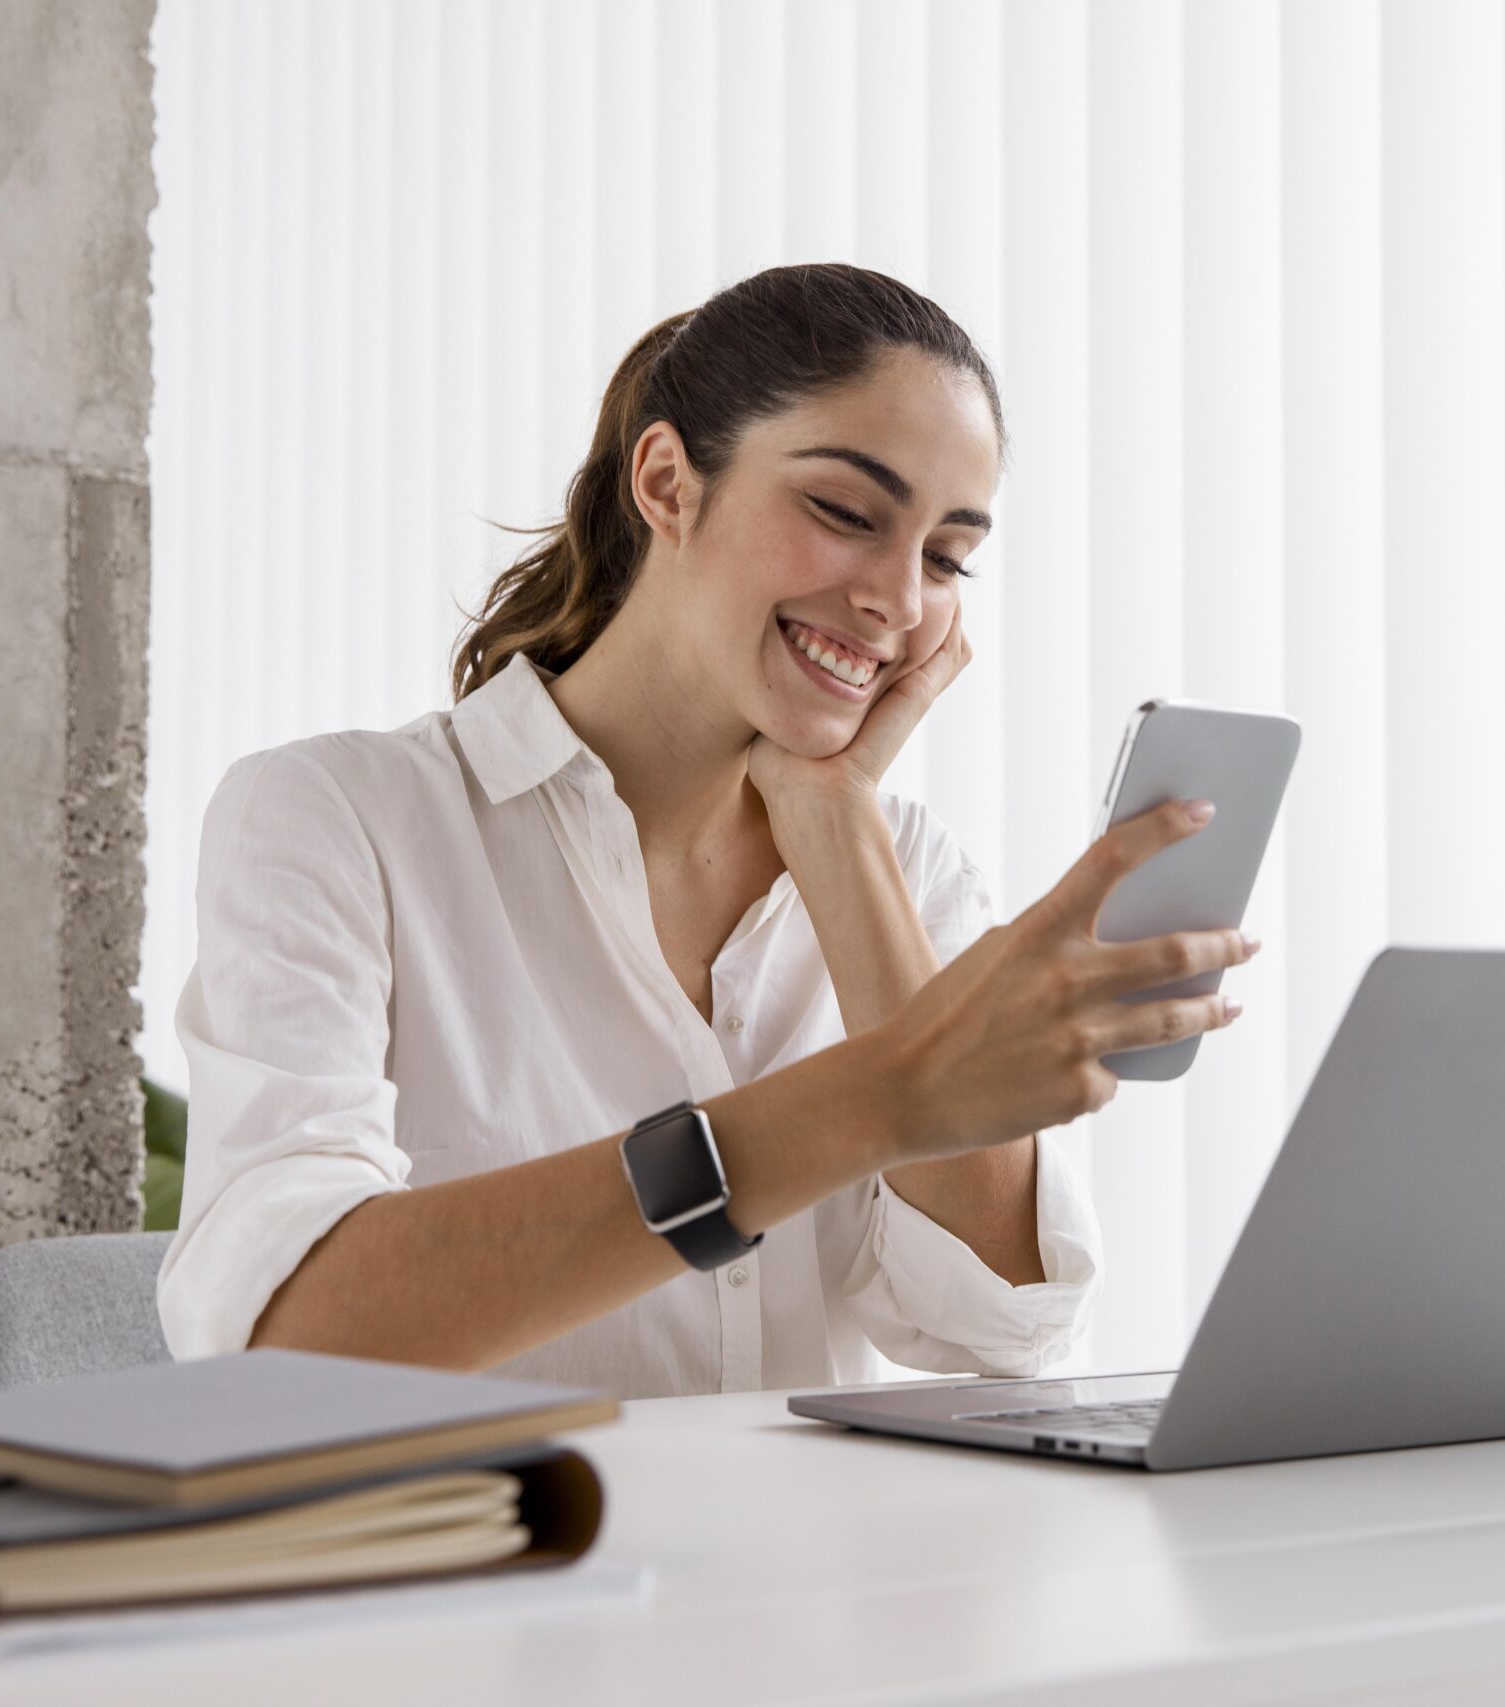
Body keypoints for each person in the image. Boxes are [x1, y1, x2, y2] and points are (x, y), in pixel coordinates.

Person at [156, 262, 1255, 1398]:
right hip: (501, 1519)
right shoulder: (338, 819)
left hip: (811, 1527)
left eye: (945, 557)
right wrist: (877, 1096)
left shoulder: (905, 869)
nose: (898, 600)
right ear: (668, 484)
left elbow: (1000, 1334)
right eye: (846, 514)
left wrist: (837, 829)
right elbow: (288, 1329)